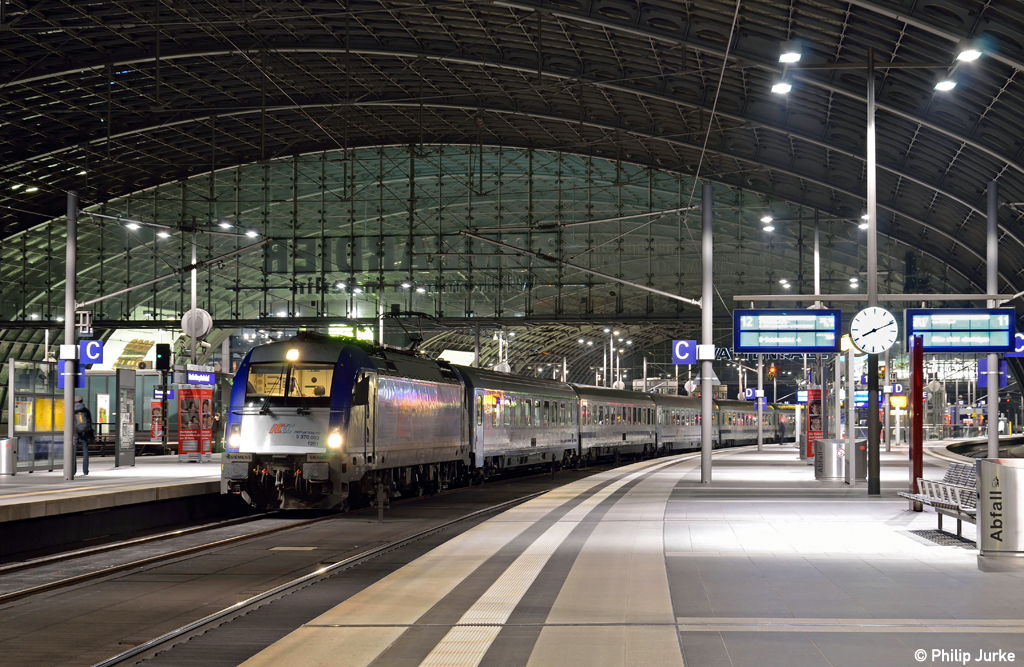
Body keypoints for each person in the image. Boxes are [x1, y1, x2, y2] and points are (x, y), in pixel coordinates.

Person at [73, 395, 94, 475]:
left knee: (73, 450)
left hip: (75, 431)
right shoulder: (86, 410)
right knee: (85, 449)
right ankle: (85, 470)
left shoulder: (71, 410)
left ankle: (73, 470)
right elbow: (90, 422)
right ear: (82, 401)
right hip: (85, 431)